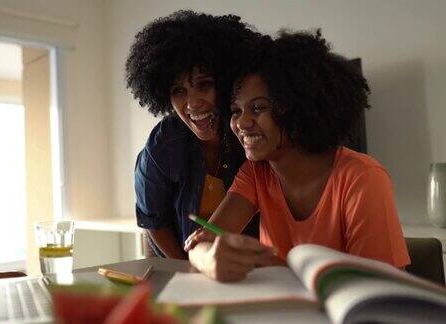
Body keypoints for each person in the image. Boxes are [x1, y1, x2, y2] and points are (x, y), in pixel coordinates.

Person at [185, 30, 410, 281]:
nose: (242, 123)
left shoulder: (363, 177)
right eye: (236, 111)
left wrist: (274, 267)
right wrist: (209, 257)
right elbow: (201, 242)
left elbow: (378, 289)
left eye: (258, 108)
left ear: (298, 109)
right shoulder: (256, 173)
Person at [125, 10, 263, 259]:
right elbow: (153, 220)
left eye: (204, 85)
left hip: (247, 270)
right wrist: (185, 270)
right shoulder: (164, 142)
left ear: (226, 81)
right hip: (180, 266)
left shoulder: (251, 136)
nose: (192, 103)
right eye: (179, 90)